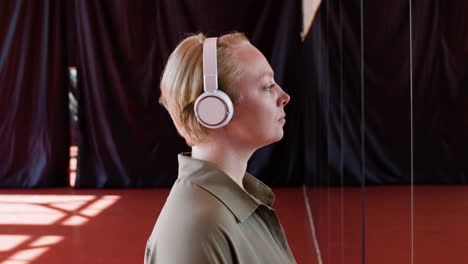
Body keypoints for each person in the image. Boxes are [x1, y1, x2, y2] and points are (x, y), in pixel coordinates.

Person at [145, 32, 293, 264]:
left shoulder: (230, 206)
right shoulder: (197, 232)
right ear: (214, 109)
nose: (284, 96)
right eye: (267, 86)